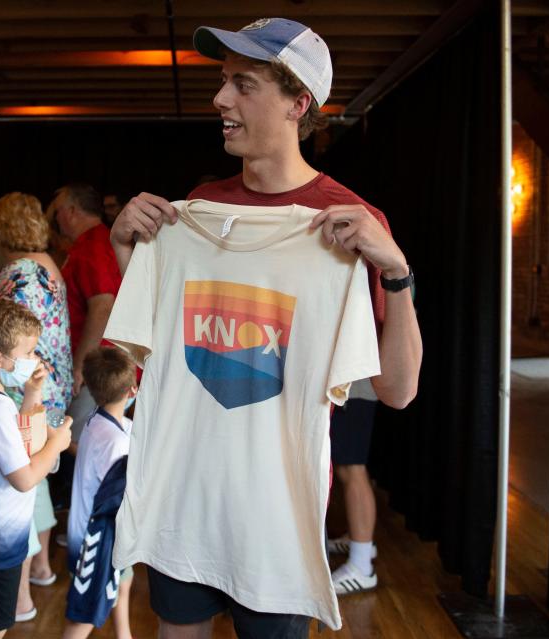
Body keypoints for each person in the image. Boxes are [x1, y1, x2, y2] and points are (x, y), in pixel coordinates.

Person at [107, 18, 422, 638]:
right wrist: (129, 253)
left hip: (279, 516)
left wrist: (398, 273)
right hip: (184, 499)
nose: (220, 100)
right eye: (224, 83)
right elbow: (158, 348)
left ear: (298, 102)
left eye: (243, 85)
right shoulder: (199, 210)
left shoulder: (348, 225)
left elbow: (399, 390)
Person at [0, 192, 72, 620]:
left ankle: (21, 591)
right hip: (37, 388)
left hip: (21, 388)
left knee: (22, 480)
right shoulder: (47, 264)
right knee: (33, 481)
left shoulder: (23, 274)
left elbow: (9, 340)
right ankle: (39, 570)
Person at [0, 298, 72, 638]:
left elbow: (20, 444)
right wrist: (57, 443)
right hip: (0, 536)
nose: (34, 360)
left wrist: (33, 391)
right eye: (28, 353)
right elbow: (24, 478)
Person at [63, 347, 137, 639]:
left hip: (90, 529)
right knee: (84, 611)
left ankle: (124, 634)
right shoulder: (117, 444)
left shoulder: (97, 419)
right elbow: (120, 495)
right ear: (133, 388)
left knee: (125, 576)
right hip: (96, 538)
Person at [49, 183, 122, 441]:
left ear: (70, 211)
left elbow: (102, 307)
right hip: (98, 365)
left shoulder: (93, 246)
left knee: (78, 444)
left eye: (57, 211)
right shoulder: (91, 243)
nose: (55, 218)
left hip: (96, 370)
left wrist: (80, 366)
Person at [326, 385, 380, 595]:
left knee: (351, 468)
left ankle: (361, 566)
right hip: (352, 384)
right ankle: (357, 541)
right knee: (347, 466)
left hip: (353, 384)